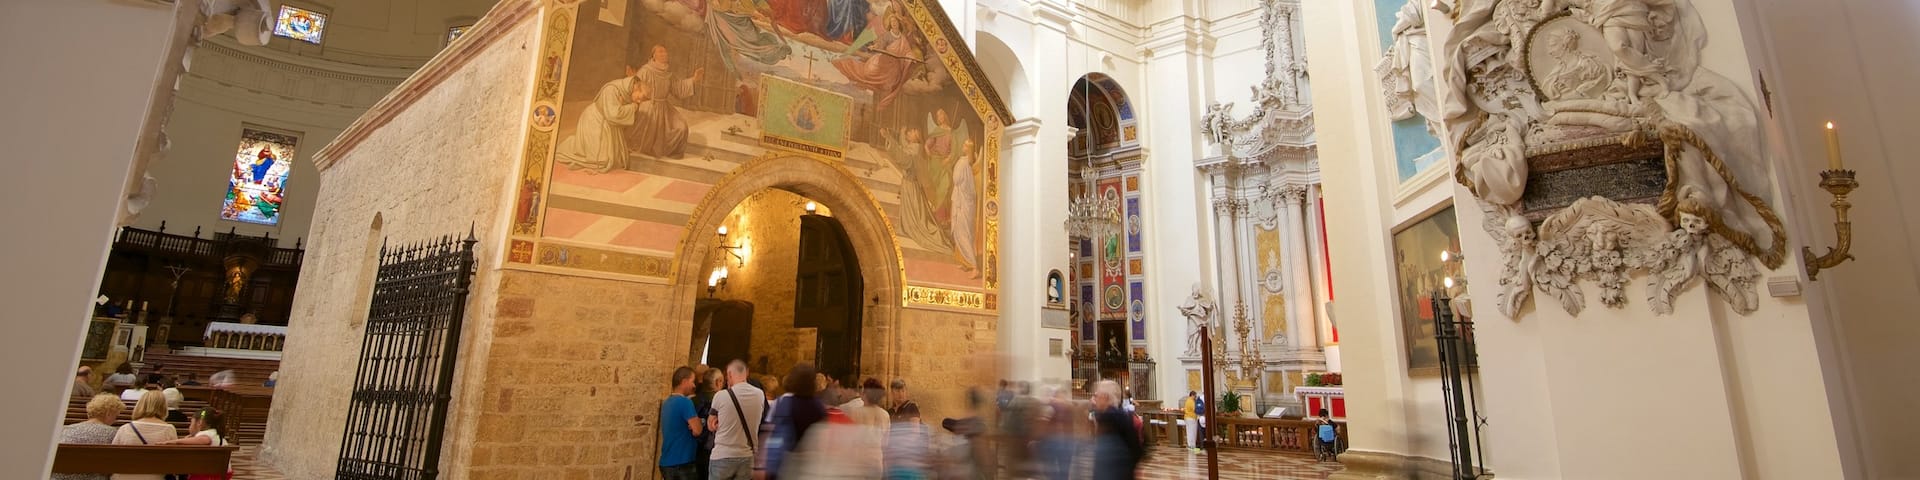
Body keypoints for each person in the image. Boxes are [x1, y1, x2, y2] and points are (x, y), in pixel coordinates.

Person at [763, 363, 824, 480]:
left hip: (785, 464)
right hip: (810, 467)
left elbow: (771, 433)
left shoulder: (783, 403)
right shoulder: (819, 407)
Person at [708, 360, 764, 480]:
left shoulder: (720, 396)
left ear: (729, 375)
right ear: (747, 373)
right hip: (747, 456)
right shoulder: (760, 394)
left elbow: (710, 425)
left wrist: (717, 423)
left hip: (722, 455)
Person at [111, 390, 180, 480]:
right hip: (155, 477)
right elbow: (173, 460)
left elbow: (112, 457)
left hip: (123, 476)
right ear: (164, 407)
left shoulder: (125, 428)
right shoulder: (169, 429)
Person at [53, 394, 123, 480]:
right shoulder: (113, 433)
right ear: (108, 414)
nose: (115, 420)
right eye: (116, 416)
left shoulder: (65, 429)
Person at [159, 409, 233, 480]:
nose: (190, 426)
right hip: (220, 471)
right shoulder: (215, 434)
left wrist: (175, 441)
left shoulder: (207, 434)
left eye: (191, 422)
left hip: (211, 474)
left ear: (199, 422)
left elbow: (205, 440)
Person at [1090, 381, 1142, 480]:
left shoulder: (1115, 417)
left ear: (1105, 397)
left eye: (1096, 395)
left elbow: (1136, 450)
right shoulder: (1106, 417)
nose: (1094, 399)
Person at [660, 367, 704, 480]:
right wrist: (701, 421)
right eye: (692, 381)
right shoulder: (685, 402)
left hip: (667, 462)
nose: (695, 386)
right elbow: (697, 430)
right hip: (683, 462)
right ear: (684, 382)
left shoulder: (667, 402)